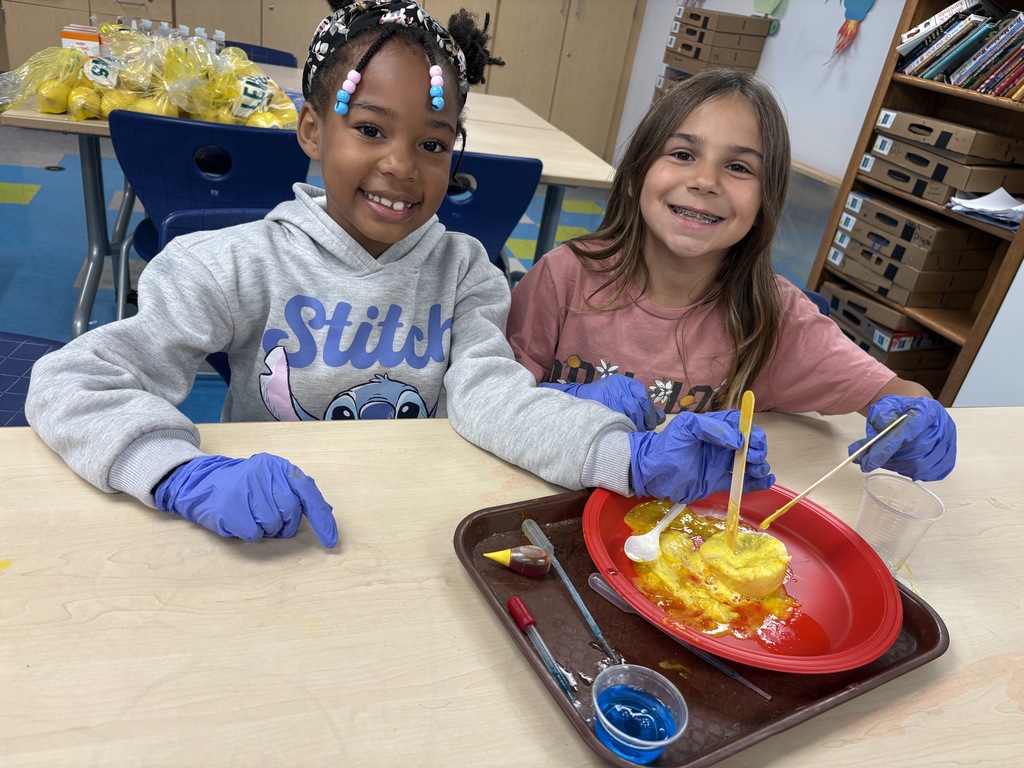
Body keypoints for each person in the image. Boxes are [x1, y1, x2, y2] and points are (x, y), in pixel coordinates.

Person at [25, 2, 775, 549]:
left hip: (419, 532)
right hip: (273, 539)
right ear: (312, 129)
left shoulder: (468, 274)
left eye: (433, 143)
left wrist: (625, 456)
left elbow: (489, 400)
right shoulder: (236, 263)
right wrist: (180, 474)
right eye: (370, 129)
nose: (401, 165)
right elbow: (71, 383)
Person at [506, 69, 956, 484]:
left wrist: (916, 420)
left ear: (764, 203)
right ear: (634, 176)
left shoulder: (776, 317)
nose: (705, 180)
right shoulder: (564, 276)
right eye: (682, 154)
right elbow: (497, 397)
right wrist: (567, 398)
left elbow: (894, 392)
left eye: (739, 167)